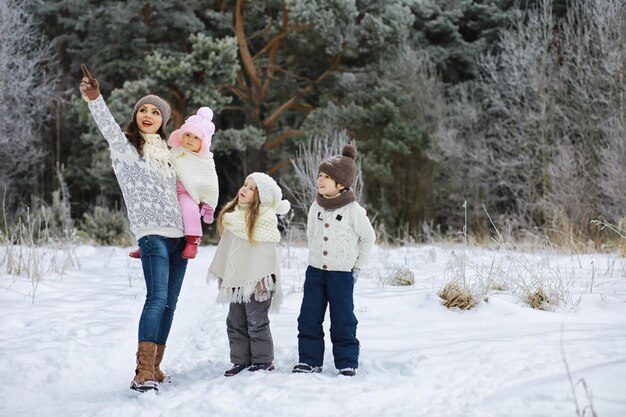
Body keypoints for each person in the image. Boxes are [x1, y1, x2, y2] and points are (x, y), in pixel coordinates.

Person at [79, 64, 188, 392]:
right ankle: (142, 371)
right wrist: (95, 98)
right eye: (143, 109)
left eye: (155, 111)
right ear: (136, 115)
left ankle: (155, 366)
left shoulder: (170, 155)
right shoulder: (125, 149)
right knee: (155, 298)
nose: (148, 114)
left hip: (179, 238)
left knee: (170, 302)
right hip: (152, 235)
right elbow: (108, 126)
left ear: (163, 121)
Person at [292, 144, 376, 377]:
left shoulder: (354, 210)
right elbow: (311, 235)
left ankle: (346, 362)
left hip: (341, 275)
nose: (320, 180)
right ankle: (309, 360)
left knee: (343, 319)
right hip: (315, 272)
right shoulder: (314, 207)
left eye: (327, 177)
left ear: (341, 183)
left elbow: (368, 238)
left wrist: (356, 267)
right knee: (308, 317)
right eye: (320, 175)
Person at [208, 172, 290, 376]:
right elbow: (228, 250)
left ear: (261, 196)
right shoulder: (233, 216)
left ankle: (263, 361)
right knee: (235, 321)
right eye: (245, 184)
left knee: (256, 321)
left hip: (259, 281)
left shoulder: (266, 218)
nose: (244, 189)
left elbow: (265, 255)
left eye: (252, 188)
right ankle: (240, 360)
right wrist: (225, 275)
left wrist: (264, 279)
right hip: (237, 281)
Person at [128, 107, 219, 260]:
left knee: (190, 209)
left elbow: (210, 183)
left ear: (203, 143)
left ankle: (193, 240)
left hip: (187, 192)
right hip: (168, 188)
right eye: (187, 135)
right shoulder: (176, 151)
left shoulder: (205, 160)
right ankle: (146, 243)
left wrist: (208, 204)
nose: (190, 139)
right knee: (154, 207)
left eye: (196, 137)